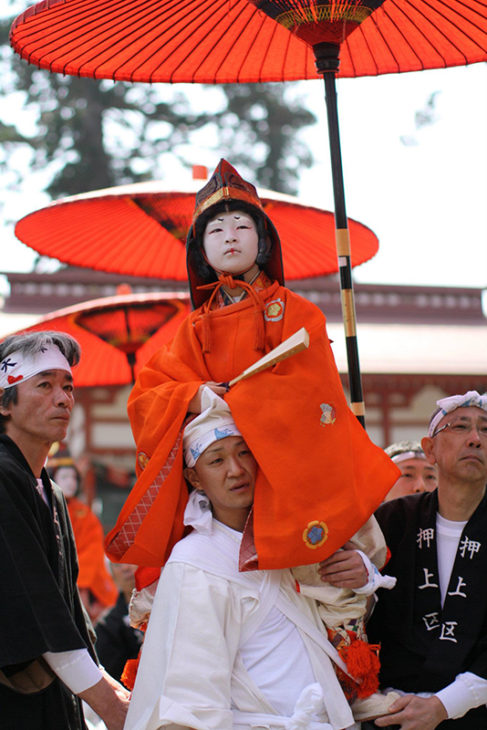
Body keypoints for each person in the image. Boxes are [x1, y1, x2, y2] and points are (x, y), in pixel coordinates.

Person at [106, 158, 399, 578]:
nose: (229, 238)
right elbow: (148, 393)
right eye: (216, 230)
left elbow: (310, 392)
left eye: (241, 227)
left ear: (262, 241)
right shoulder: (194, 326)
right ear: (200, 250)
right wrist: (195, 396)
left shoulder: (298, 313)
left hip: (291, 474)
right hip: (224, 479)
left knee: (332, 577)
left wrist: (233, 401)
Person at [125, 388, 359, 730]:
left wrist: (362, 574)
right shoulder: (193, 562)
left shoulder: (292, 539)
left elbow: (340, 617)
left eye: (244, 452)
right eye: (216, 460)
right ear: (194, 478)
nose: (235, 470)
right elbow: (189, 694)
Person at [0, 331, 129, 730]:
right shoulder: (3, 477)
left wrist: (106, 685)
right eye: (45, 385)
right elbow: (33, 602)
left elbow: (67, 607)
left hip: (52, 688)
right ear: (5, 402)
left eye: (68, 386)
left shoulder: (49, 491)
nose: (63, 398)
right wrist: (108, 702)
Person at [365, 390, 487, 729]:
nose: (475, 439)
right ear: (430, 447)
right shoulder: (392, 521)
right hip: (392, 709)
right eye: (460, 427)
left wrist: (443, 704)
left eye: (485, 429)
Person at [49, 453, 118, 623]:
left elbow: (92, 549)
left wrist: (79, 584)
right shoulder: (45, 509)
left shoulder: (84, 513)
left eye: (73, 477)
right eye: (64, 477)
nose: (70, 482)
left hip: (80, 578)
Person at [95, 562, 143, 683]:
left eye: (130, 560)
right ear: (112, 576)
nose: (126, 568)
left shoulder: (170, 607)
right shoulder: (107, 626)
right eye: (117, 565)